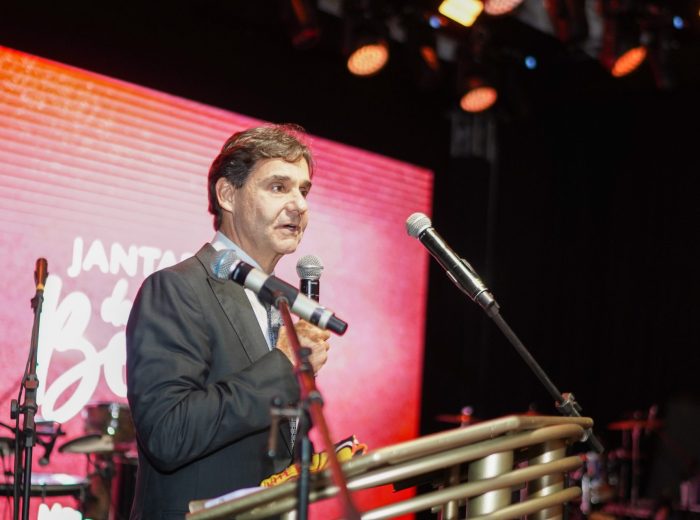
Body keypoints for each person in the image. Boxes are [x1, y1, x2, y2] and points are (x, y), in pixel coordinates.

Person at [125, 124, 331, 519]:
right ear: (227, 195)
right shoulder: (176, 288)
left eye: (303, 191)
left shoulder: (284, 302)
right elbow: (168, 433)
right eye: (278, 187)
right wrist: (282, 366)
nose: (299, 205)